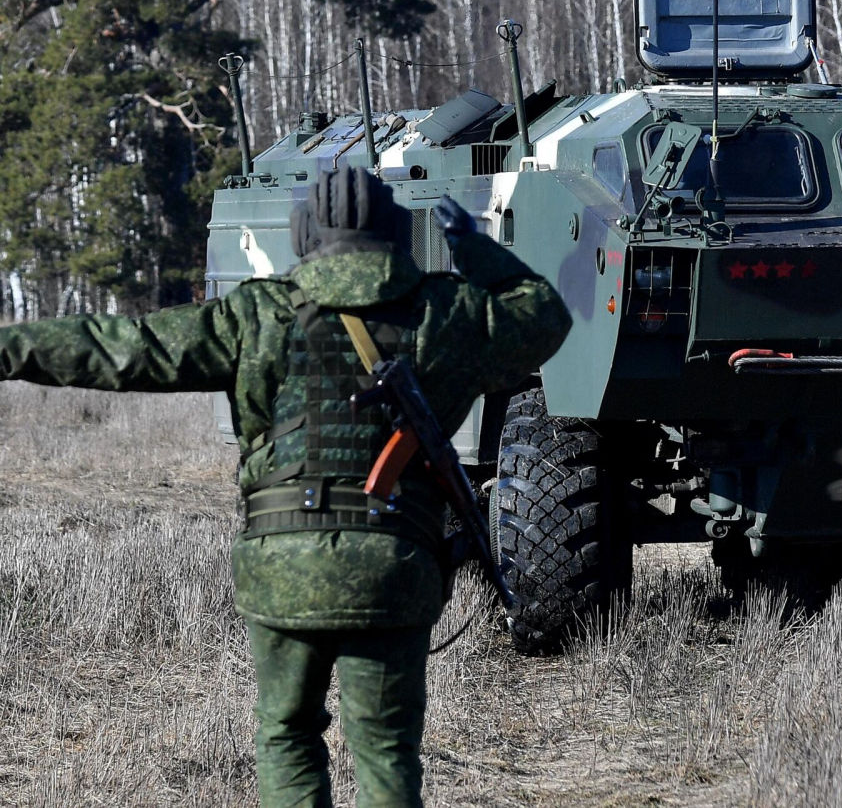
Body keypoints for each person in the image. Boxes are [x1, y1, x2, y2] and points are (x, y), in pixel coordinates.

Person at [0, 167, 572, 807]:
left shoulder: (257, 314)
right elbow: (545, 316)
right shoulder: (450, 312)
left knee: (286, 735)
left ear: (303, 237)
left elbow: (121, 349)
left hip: (280, 565)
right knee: (384, 750)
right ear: (398, 237)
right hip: (392, 562)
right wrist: (474, 248)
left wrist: (7, 347)